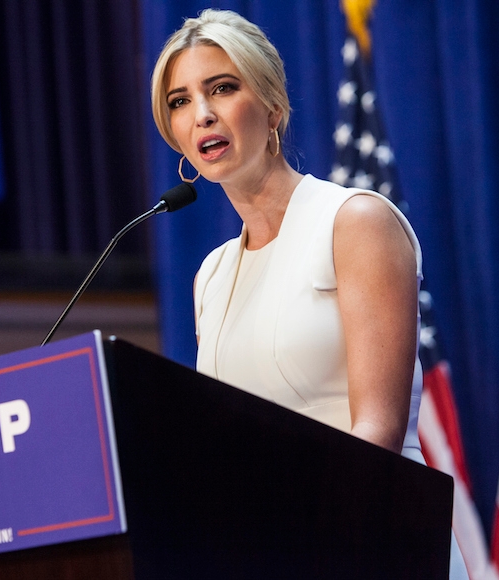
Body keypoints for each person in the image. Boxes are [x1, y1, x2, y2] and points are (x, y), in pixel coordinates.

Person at [150, 9, 469, 579]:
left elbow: (377, 431)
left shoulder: (355, 223)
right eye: (180, 101)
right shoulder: (211, 275)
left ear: (273, 108)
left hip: (374, 542)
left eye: (222, 88)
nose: (202, 114)